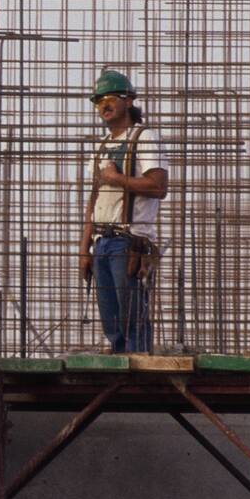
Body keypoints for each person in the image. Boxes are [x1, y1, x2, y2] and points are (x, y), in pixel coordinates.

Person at [79, 68, 169, 354]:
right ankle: (120, 362)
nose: (103, 105)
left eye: (110, 98)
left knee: (132, 313)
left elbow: (158, 187)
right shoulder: (101, 146)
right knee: (110, 317)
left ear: (128, 101)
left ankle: (137, 362)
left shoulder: (144, 138)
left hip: (129, 240)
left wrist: (117, 178)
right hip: (102, 241)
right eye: (98, 100)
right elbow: (94, 200)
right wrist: (84, 249)